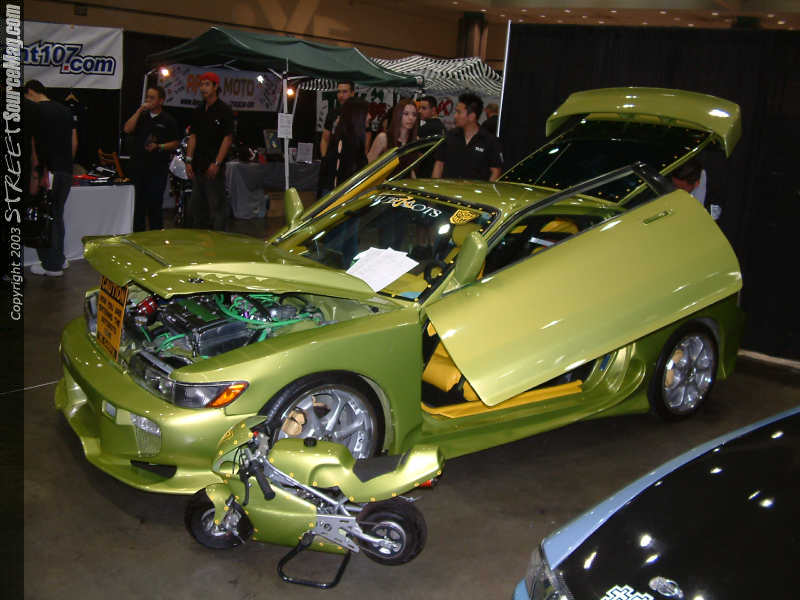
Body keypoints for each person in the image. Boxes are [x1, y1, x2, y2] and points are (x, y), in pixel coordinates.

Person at [24, 79, 77, 277]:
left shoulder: (36, 111)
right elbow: (74, 141)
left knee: (46, 215)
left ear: (30, 92)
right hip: (65, 170)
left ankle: (51, 265)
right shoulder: (65, 111)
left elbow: (35, 144)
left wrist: (37, 171)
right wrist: (67, 163)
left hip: (47, 171)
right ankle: (59, 259)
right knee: (57, 215)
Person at [123, 85, 179, 231]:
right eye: (147, 97)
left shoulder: (168, 120)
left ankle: (156, 235)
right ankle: (138, 235)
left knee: (154, 205)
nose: (148, 100)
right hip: (138, 167)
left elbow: (175, 143)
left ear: (161, 100)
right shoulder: (141, 116)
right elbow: (127, 129)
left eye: (152, 98)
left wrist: (159, 146)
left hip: (157, 169)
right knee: (138, 206)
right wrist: (139, 111)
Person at [184, 72, 234, 230]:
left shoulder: (224, 110)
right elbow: (193, 136)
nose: (203, 88)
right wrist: (188, 160)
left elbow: (227, 138)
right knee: (197, 209)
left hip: (214, 167)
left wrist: (217, 163)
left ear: (215, 86)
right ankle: (200, 240)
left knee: (217, 208)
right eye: (201, 84)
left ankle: (220, 239)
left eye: (207, 84)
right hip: (198, 165)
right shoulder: (198, 110)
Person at [432, 92, 502, 181]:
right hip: (448, 188)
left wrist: (488, 189)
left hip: (474, 189)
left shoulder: (490, 141)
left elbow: (495, 171)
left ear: (471, 116)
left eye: (458, 112)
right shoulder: (449, 136)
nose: (455, 116)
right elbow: (439, 164)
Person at [319, 98, 369, 193]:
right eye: (366, 113)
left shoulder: (355, 141)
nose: (370, 117)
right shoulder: (344, 143)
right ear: (357, 116)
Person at [367, 98, 419, 163]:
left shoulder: (415, 140)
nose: (411, 118)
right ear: (398, 115)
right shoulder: (383, 138)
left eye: (414, 115)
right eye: (406, 114)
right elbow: (369, 163)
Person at [320, 81, 355, 158]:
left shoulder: (359, 114)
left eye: (345, 92)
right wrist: (324, 158)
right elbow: (325, 139)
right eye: (339, 92)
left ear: (352, 93)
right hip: (333, 157)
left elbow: (366, 140)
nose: (341, 95)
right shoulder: (333, 113)